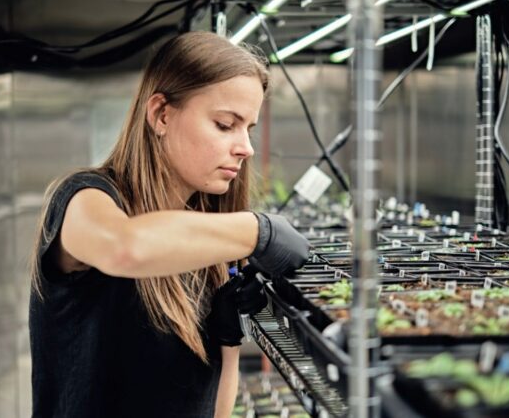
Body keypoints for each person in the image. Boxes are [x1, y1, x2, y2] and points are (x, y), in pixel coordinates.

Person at [29, 31, 310, 418]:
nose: (245, 147)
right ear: (161, 114)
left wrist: (228, 338)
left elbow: (209, 406)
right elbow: (124, 247)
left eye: (249, 128)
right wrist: (259, 232)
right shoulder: (83, 197)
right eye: (226, 124)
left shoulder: (201, 236)